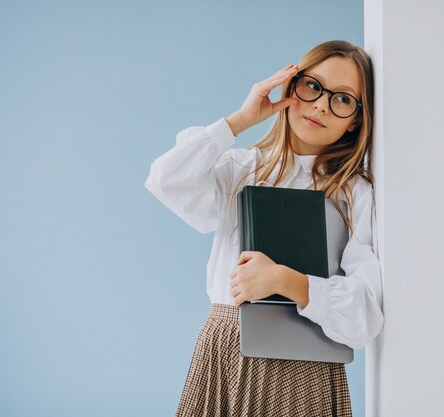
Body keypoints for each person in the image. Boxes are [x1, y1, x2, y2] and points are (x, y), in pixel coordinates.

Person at [144, 40, 384, 417]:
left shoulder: (353, 193)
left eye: (342, 99)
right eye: (313, 87)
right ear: (291, 88)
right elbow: (165, 180)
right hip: (226, 355)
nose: (321, 104)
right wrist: (239, 120)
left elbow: (366, 317)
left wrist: (285, 281)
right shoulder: (241, 169)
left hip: (307, 372)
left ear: (356, 118)